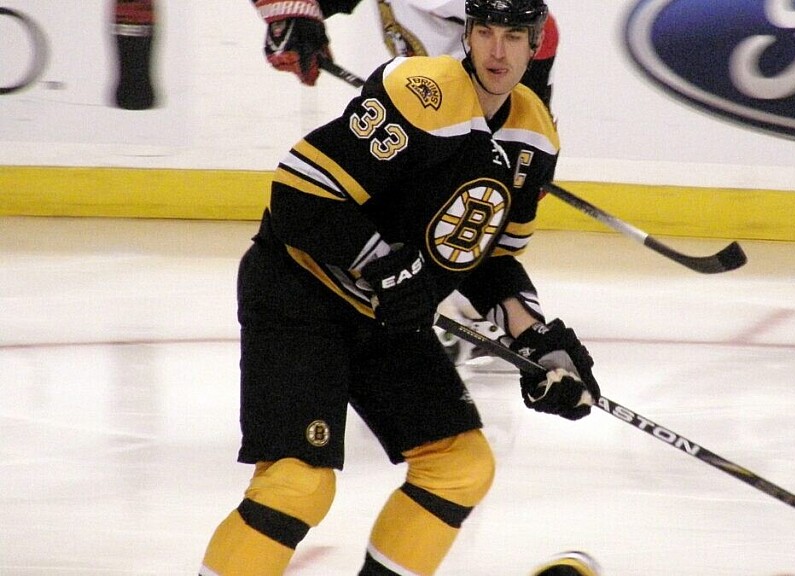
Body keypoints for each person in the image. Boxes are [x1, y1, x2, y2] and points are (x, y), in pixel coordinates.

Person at [200, 1, 601, 575]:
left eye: (514, 36)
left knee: (460, 467)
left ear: (535, 45)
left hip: (385, 315)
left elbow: (490, 259)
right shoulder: (421, 92)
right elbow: (297, 195)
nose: (497, 51)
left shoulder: (534, 135)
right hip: (300, 291)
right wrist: (385, 265)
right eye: (486, 32)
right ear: (468, 35)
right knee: (297, 485)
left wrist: (537, 340)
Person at [250, 0, 560, 369]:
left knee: (448, 235)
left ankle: (449, 309)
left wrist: (518, 135)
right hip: (428, 114)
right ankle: (438, 308)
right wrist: (301, 18)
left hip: (465, 124)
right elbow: (301, 194)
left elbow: (538, 29)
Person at [250, 0, 559, 106]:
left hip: (471, 120)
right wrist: (295, 20)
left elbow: (540, 32)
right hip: (431, 113)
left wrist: (525, 124)